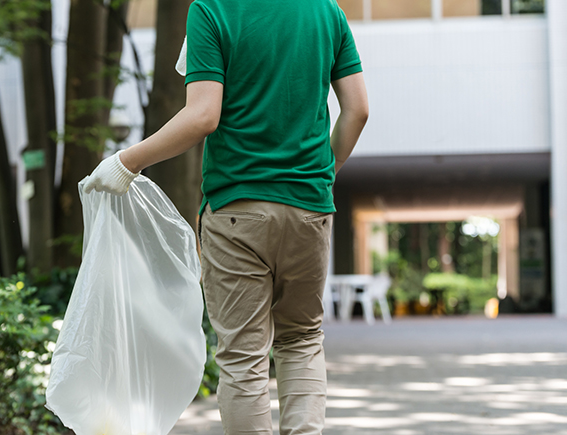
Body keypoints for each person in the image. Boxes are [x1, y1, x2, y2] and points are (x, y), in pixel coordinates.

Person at [83, 0, 368, 433]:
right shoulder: (326, 10)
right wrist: (322, 175)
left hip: (237, 210)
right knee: (302, 341)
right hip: (310, 207)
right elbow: (358, 109)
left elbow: (202, 116)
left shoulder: (212, 10)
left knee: (244, 357)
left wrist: (127, 161)